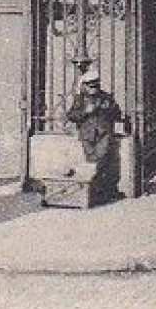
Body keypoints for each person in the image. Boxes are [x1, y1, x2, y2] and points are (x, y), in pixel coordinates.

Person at [66, 68, 124, 206]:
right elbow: (71, 116)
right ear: (85, 86)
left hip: (104, 134)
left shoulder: (106, 97)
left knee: (101, 160)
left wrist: (108, 109)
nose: (93, 88)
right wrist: (85, 112)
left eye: (95, 85)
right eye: (90, 85)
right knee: (92, 162)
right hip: (87, 136)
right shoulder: (80, 100)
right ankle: (94, 192)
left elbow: (117, 114)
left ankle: (100, 192)